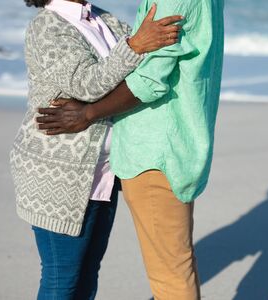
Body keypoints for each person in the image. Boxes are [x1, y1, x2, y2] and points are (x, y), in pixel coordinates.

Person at [36, 0, 224, 299]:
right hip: (80, 168)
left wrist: (89, 113)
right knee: (69, 276)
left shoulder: (116, 15)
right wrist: (135, 45)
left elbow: (149, 77)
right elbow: (92, 79)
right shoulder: (49, 25)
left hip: (151, 149)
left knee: (170, 273)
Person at [10, 0, 182, 299]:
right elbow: (86, 85)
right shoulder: (47, 25)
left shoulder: (102, 18)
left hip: (103, 171)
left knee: (88, 272)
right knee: (62, 278)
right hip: (58, 171)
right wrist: (135, 45)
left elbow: (139, 71)